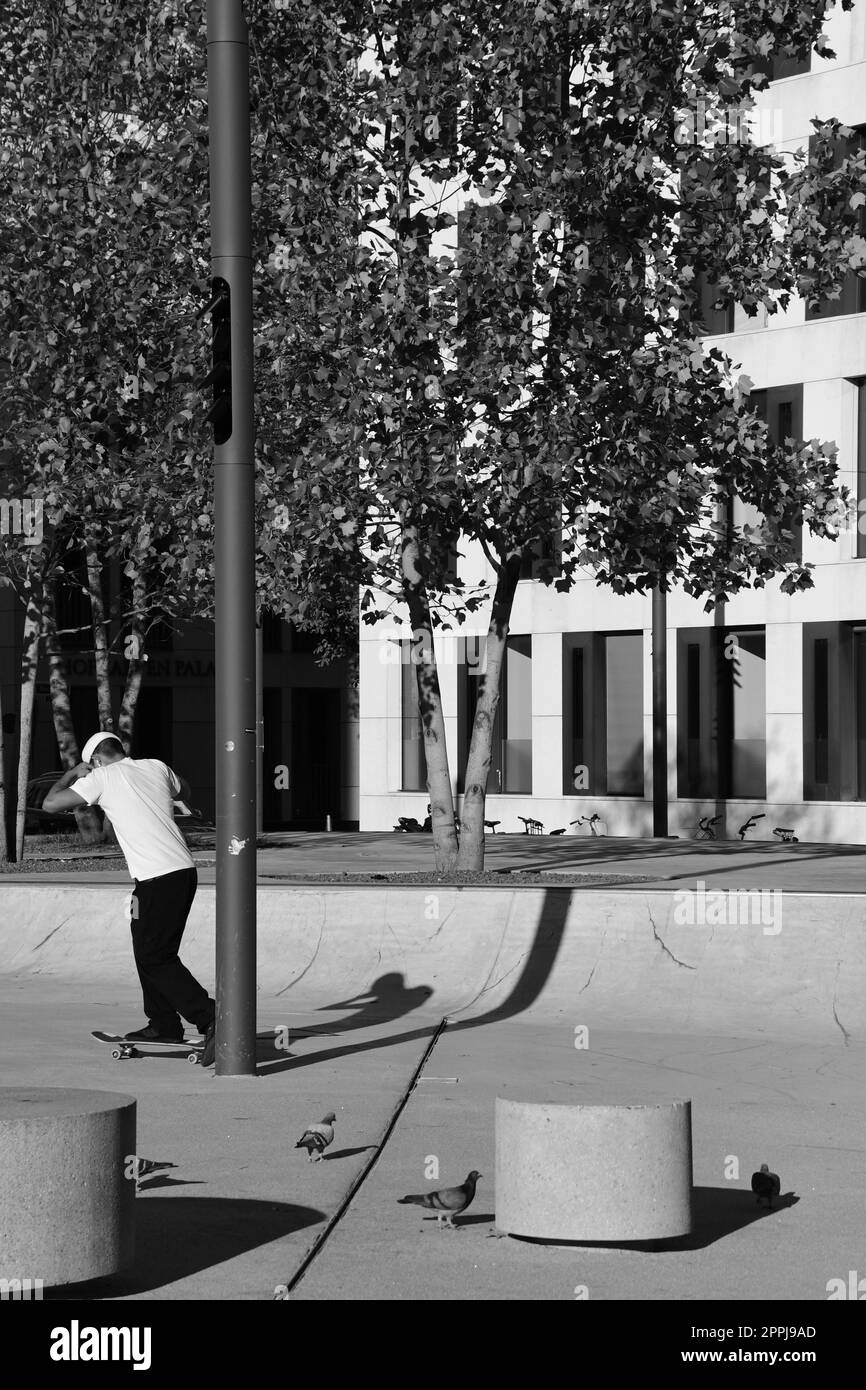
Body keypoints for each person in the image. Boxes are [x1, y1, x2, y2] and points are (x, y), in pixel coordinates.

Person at [43, 732, 216, 1065]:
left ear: (95, 760)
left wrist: (71, 774)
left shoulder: (101, 777)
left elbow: (51, 803)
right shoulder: (155, 766)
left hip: (159, 877)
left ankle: (211, 1017)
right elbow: (186, 790)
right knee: (146, 948)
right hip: (178, 873)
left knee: (156, 957)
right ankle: (163, 1023)